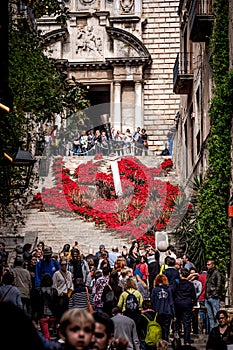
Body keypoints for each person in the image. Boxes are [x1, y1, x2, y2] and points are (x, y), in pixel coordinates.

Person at [172, 268, 196, 346]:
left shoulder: (177, 283)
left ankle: (177, 337)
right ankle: (186, 340)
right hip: (187, 304)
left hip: (178, 304)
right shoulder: (190, 284)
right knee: (187, 323)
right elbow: (193, 296)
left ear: (181, 275)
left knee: (177, 321)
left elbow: (172, 292)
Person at [32, 273, 59, 340]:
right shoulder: (54, 291)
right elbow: (56, 305)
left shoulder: (38, 291)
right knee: (48, 333)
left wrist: (34, 318)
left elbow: (35, 306)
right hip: (53, 316)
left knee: (46, 334)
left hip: (43, 316)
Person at [151, 274, 175, 341]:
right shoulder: (168, 290)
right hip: (167, 311)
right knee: (166, 328)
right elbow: (171, 302)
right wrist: (174, 314)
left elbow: (152, 301)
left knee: (159, 327)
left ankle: (160, 342)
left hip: (158, 311)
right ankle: (165, 341)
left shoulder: (155, 290)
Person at [205, 260, 221, 332]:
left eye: (209, 264)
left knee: (216, 315)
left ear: (213, 265)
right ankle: (212, 332)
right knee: (210, 316)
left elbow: (219, 285)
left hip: (213, 297)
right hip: (207, 296)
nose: (207, 266)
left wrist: (214, 294)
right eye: (207, 264)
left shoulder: (216, 273)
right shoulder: (208, 273)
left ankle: (218, 332)